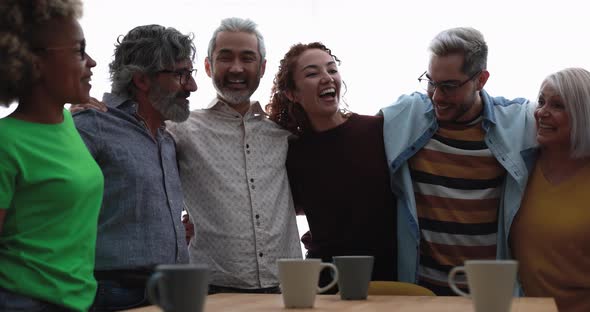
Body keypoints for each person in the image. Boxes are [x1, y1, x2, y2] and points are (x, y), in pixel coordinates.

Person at [380, 27, 537, 295]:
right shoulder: (407, 115)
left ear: (481, 80)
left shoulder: (520, 121)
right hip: (423, 293)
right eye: (431, 82)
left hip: (489, 295)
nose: (437, 96)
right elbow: (347, 131)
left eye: (449, 86)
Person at [167, 17, 302, 293]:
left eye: (248, 58)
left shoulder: (284, 134)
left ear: (262, 67)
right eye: (225, 57)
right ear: (208, 66)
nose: (237, 68)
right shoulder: (180, 128)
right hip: (211, 289)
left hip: (287, 287)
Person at [72, 25, 197, 310]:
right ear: (142, 80)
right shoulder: (90, 126)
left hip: (173, 292)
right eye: (181, 75)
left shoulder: (167, 139)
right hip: (113, 294)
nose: (192, 86)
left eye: (190, 74)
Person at [265, 42, 397, 290]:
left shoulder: (377, 130)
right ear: (292, 93)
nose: (327, 78)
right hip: (326, 282)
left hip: (391, 278)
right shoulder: (291, 151)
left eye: (332, 70)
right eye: (312, 73)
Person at [0, 1, 104, 311]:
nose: (92, 62)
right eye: (78, 51)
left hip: (78, 302)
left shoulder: (69, 122)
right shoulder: (5, 141)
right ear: (34, 62)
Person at [510, 68, 590, 312]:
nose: (541, 112)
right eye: (542, 101)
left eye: (557, 106)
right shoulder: (519, 169)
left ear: (582, 115)